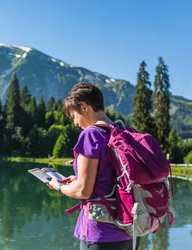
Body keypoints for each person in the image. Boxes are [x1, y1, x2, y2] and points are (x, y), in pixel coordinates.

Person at [47, 82, 138, 250]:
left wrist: (57, 186)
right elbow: (114, 177)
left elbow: (83, 191)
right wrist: (78, 178)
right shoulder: (123, 132)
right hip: (130, 232)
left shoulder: (91, 135)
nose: (75, 123)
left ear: (84, 107)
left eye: (74, 115)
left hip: (101, 234)